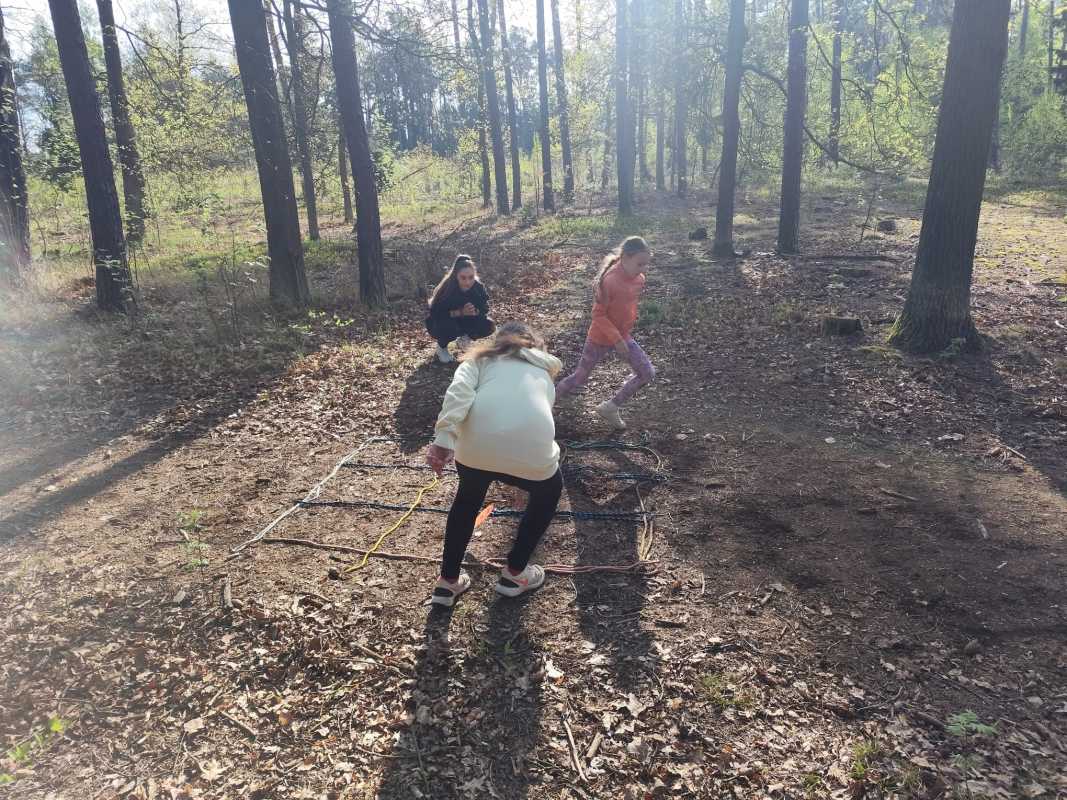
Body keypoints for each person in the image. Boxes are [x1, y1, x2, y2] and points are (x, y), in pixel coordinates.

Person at [425, 322, 563, 607]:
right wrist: (521, 476)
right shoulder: (543, 368)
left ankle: (447, 582)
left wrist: (444, 439)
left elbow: (458, 392)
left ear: (497, 342)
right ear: (534, 345)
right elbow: (533, 415)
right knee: (548, 492)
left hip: (475, 449)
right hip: (533, 450)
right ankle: (515, 574)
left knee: (467, 499)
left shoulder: (480, 360)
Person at [555, 236, 656, 430]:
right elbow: (598, 315)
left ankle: (611, 407)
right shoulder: (609, 281)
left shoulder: (639, 279)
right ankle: (545, 403)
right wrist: (616, 339)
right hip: (599, 338)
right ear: (625, 257)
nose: (644, 269)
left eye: (646, 264)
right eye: (640, 264)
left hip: (623, 336)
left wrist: (623, 334)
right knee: (579, 378)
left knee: (647, 373)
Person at [425, 255, 495, 363]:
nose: (468, 282)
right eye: (463, 278)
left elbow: (485, 308)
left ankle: (465, 339)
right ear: (456, 276)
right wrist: (460, 312)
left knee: (489, 325)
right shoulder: (447, 288)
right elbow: (435, 313)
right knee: (448, 326)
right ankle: (441, 347)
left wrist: (475, 311)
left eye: (471, 277)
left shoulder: (478, 287)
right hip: (442, 324)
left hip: (466, 321)